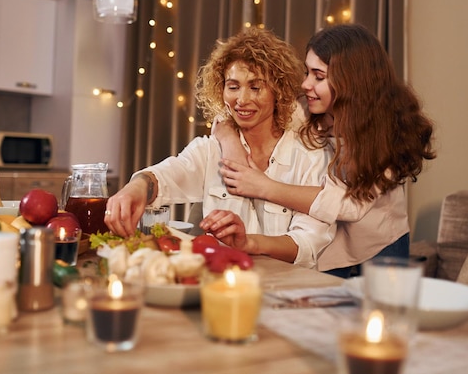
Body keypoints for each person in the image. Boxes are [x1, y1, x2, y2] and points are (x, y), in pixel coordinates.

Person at [214, 24, 435, 277]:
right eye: (307, 72)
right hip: (329, 246)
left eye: (318, 76)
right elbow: (232, 112)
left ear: (351, 81)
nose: (306, 84)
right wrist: (229, 141)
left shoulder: (386, 132)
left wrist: (263, 186)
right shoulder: (307, 109)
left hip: (379, 248)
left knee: (379, 314)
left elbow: (350, 205)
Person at [103, 27, 334, 269]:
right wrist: (137, 187)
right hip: (219, 285)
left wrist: (249, 243)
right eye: (233, 87)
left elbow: (309, 244)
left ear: (278, 91)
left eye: (256, 87)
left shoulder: (310, 154)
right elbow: (167, 175)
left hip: (286, 292)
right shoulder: (211, 150)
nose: (242, 100)